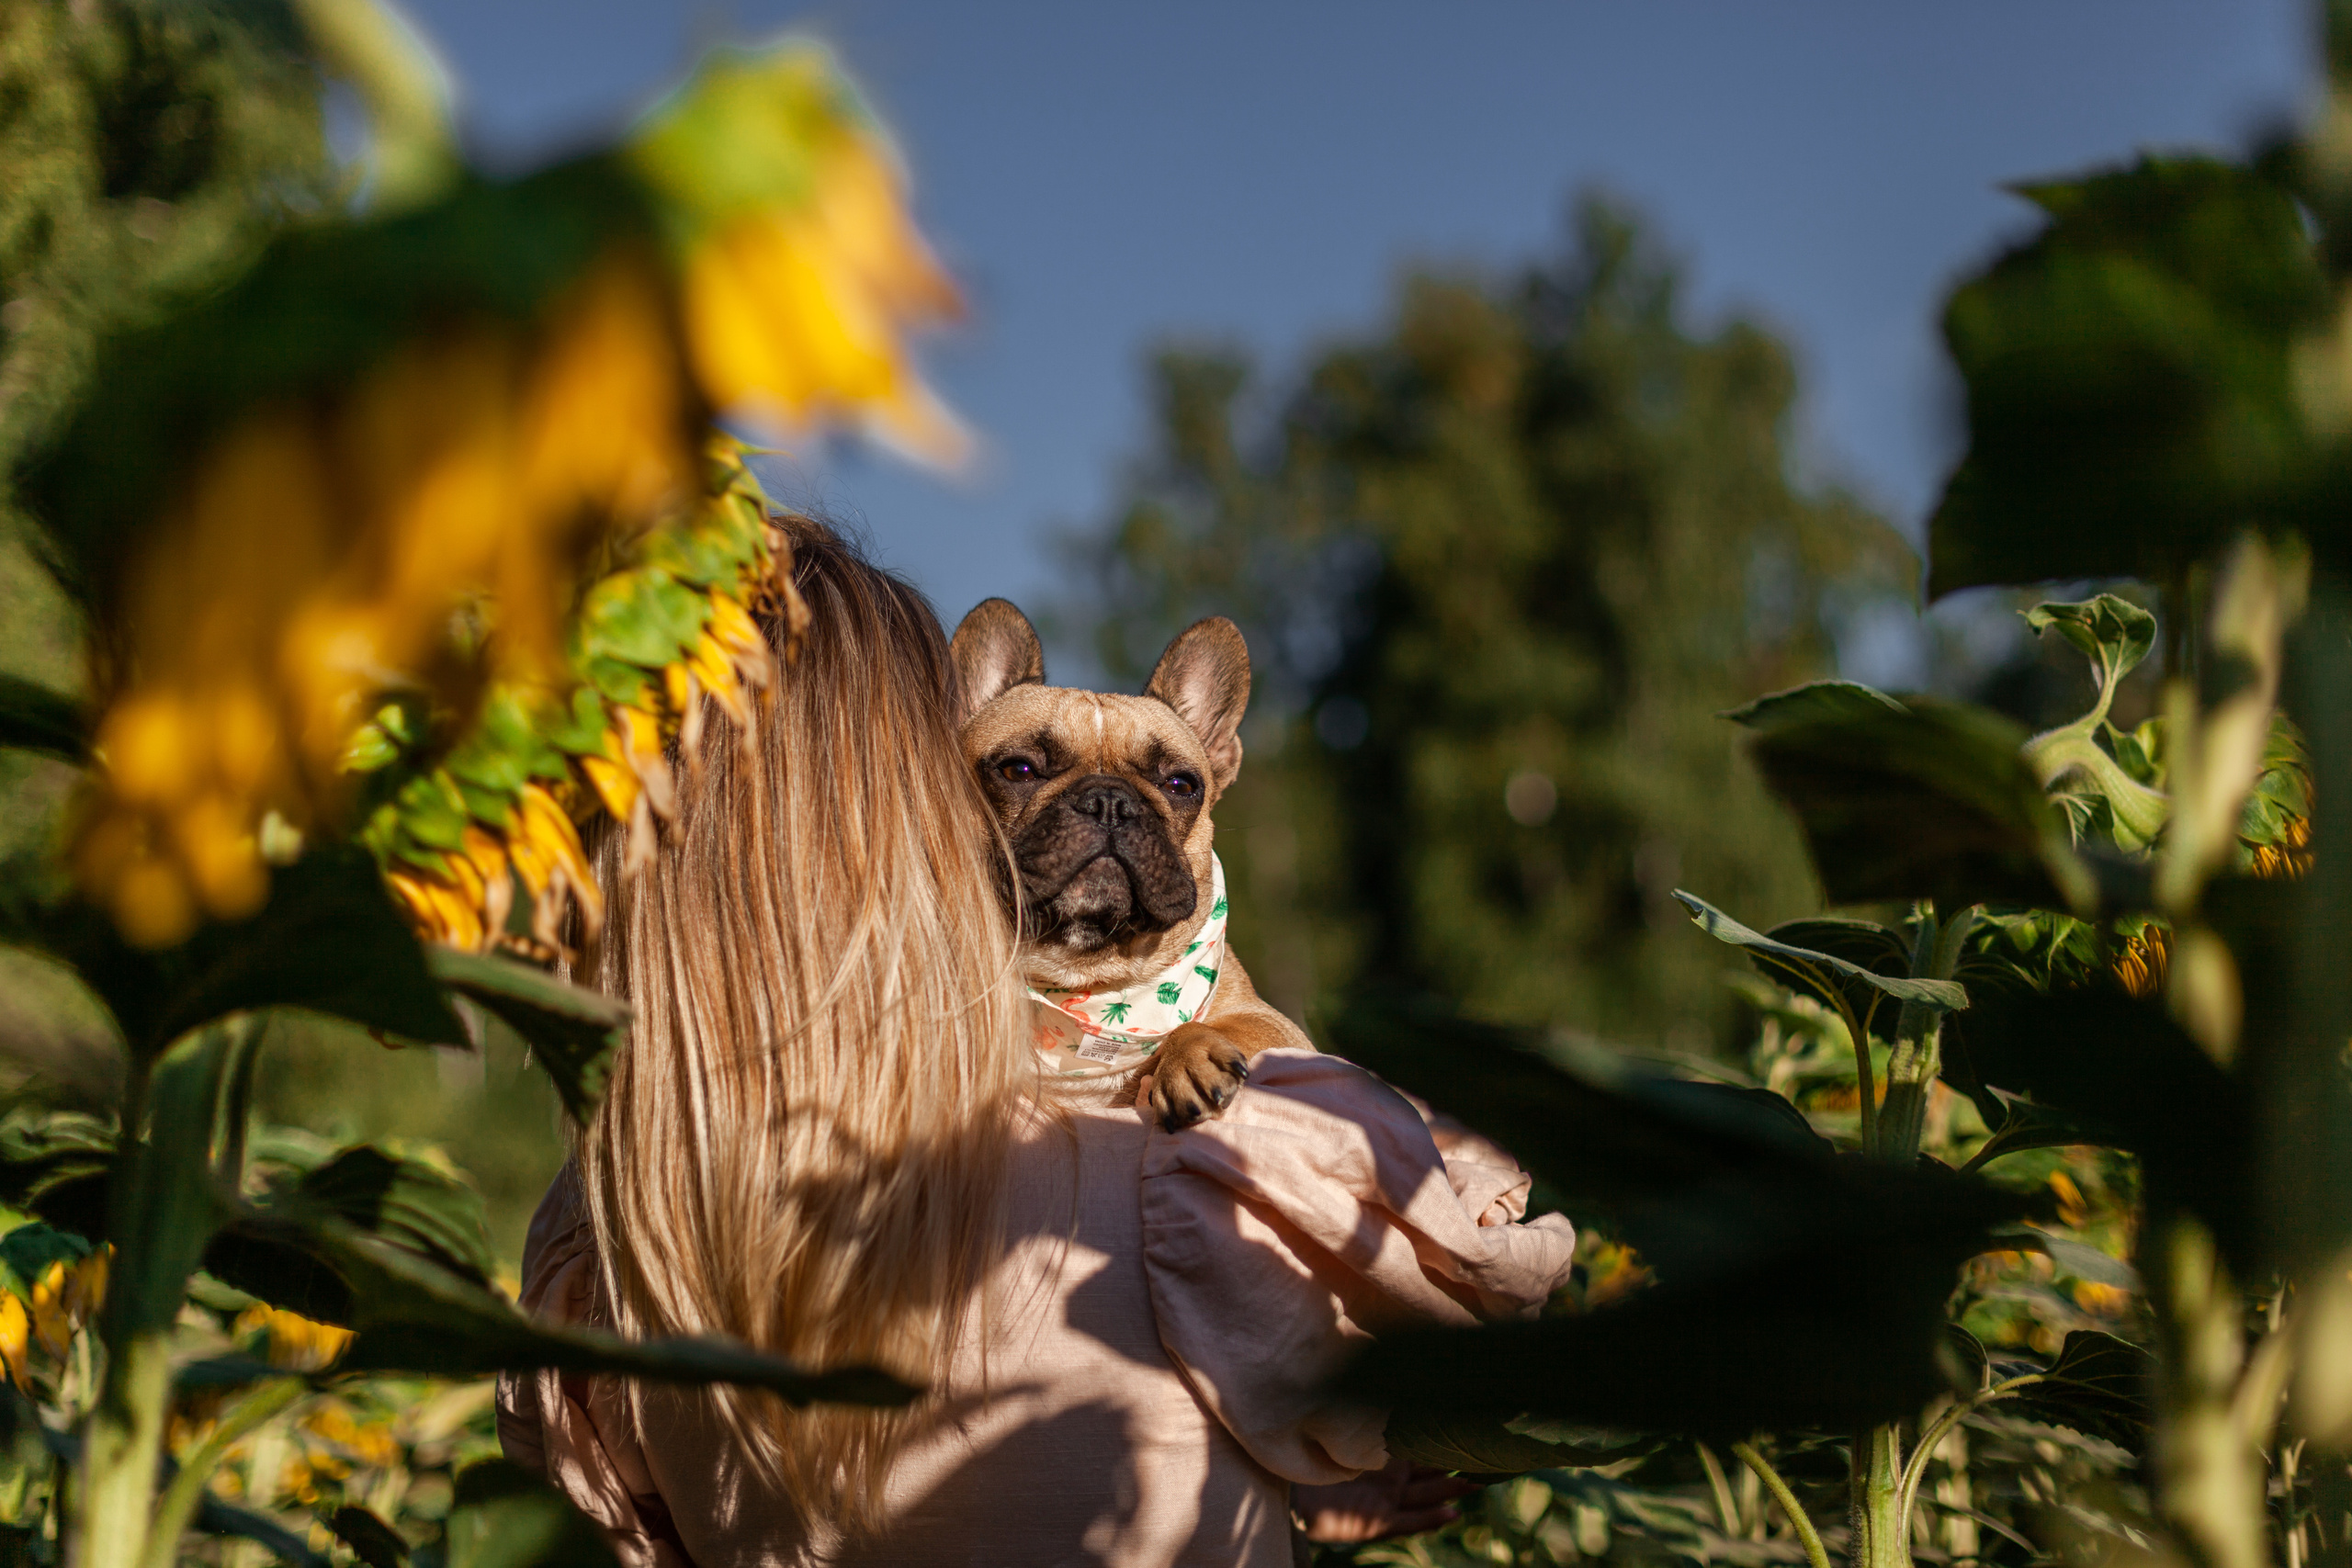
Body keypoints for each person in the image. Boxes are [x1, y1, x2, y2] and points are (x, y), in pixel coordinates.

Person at [496, 518, 1577, 1565]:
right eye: (1022, 770)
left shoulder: (609, 1219)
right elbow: (1429, 1365)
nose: (1108, 810)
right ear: (920, 792)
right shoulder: (1207, 1180)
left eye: (1170, 783)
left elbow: (623, 1520)